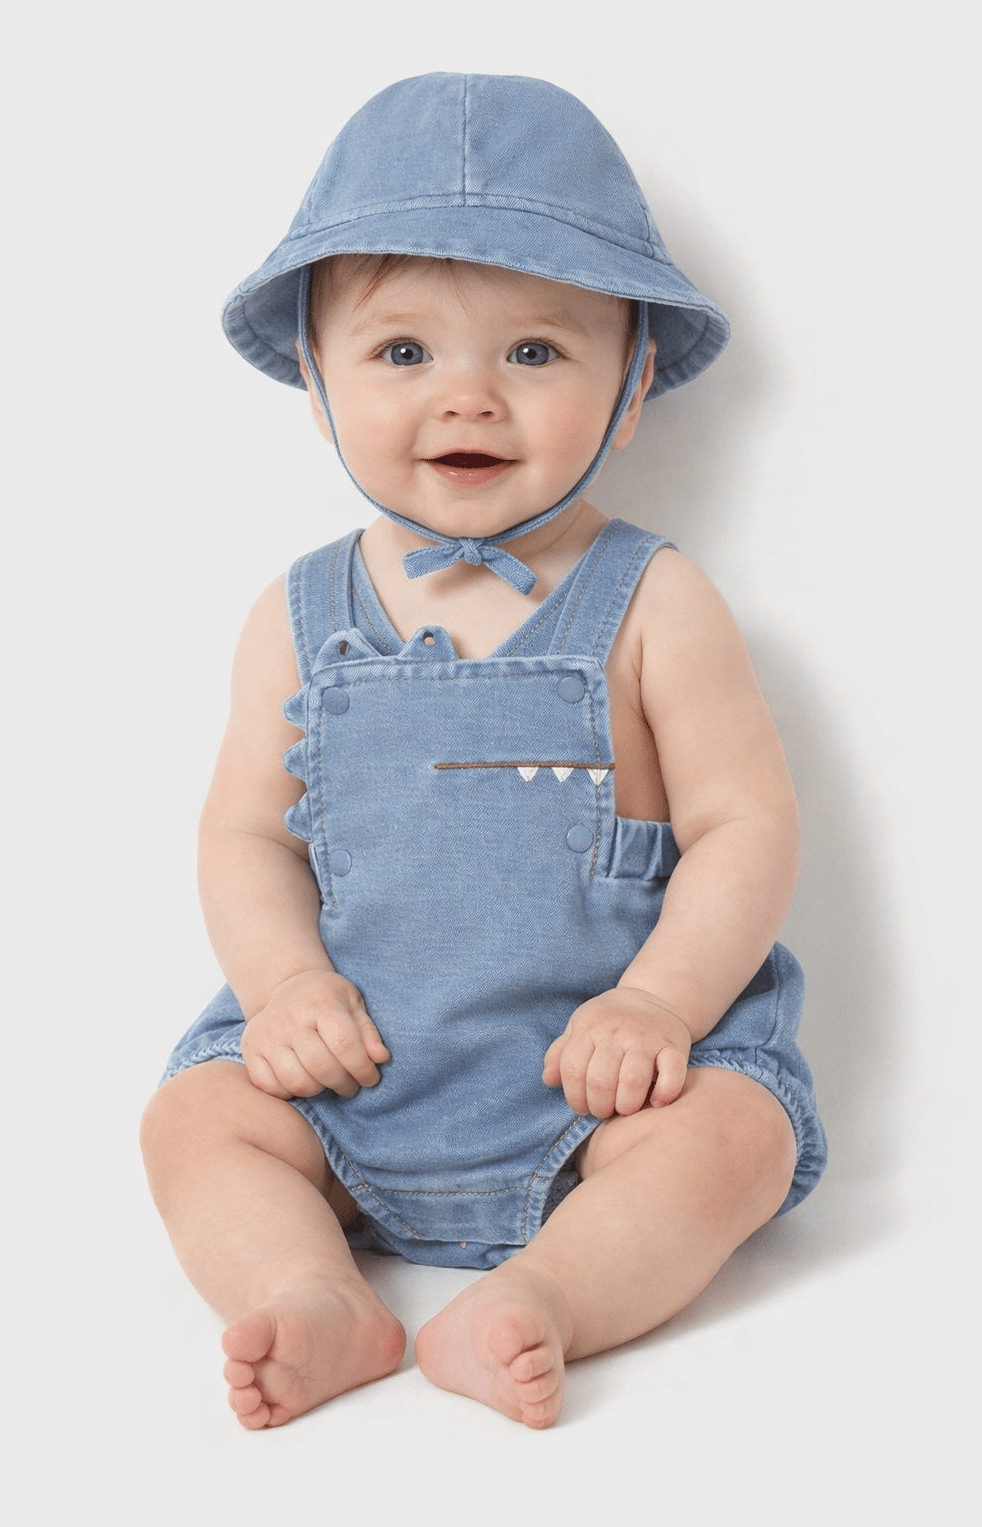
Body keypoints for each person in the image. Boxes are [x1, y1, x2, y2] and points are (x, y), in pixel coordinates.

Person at [140, 72, 826, 1431]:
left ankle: (550, 1295)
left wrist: (660, 1008)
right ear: (317, 388)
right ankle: (314, 1287)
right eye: (403, 354)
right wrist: (281, 986)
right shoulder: (295, 613)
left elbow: (748, 826)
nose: (469, 400)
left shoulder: (654, 602)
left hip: (608, 1089)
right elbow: (244, 835)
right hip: (357, 1076)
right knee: (192, 1123)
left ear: (630, 388)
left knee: (735, 1142)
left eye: (534, 352)